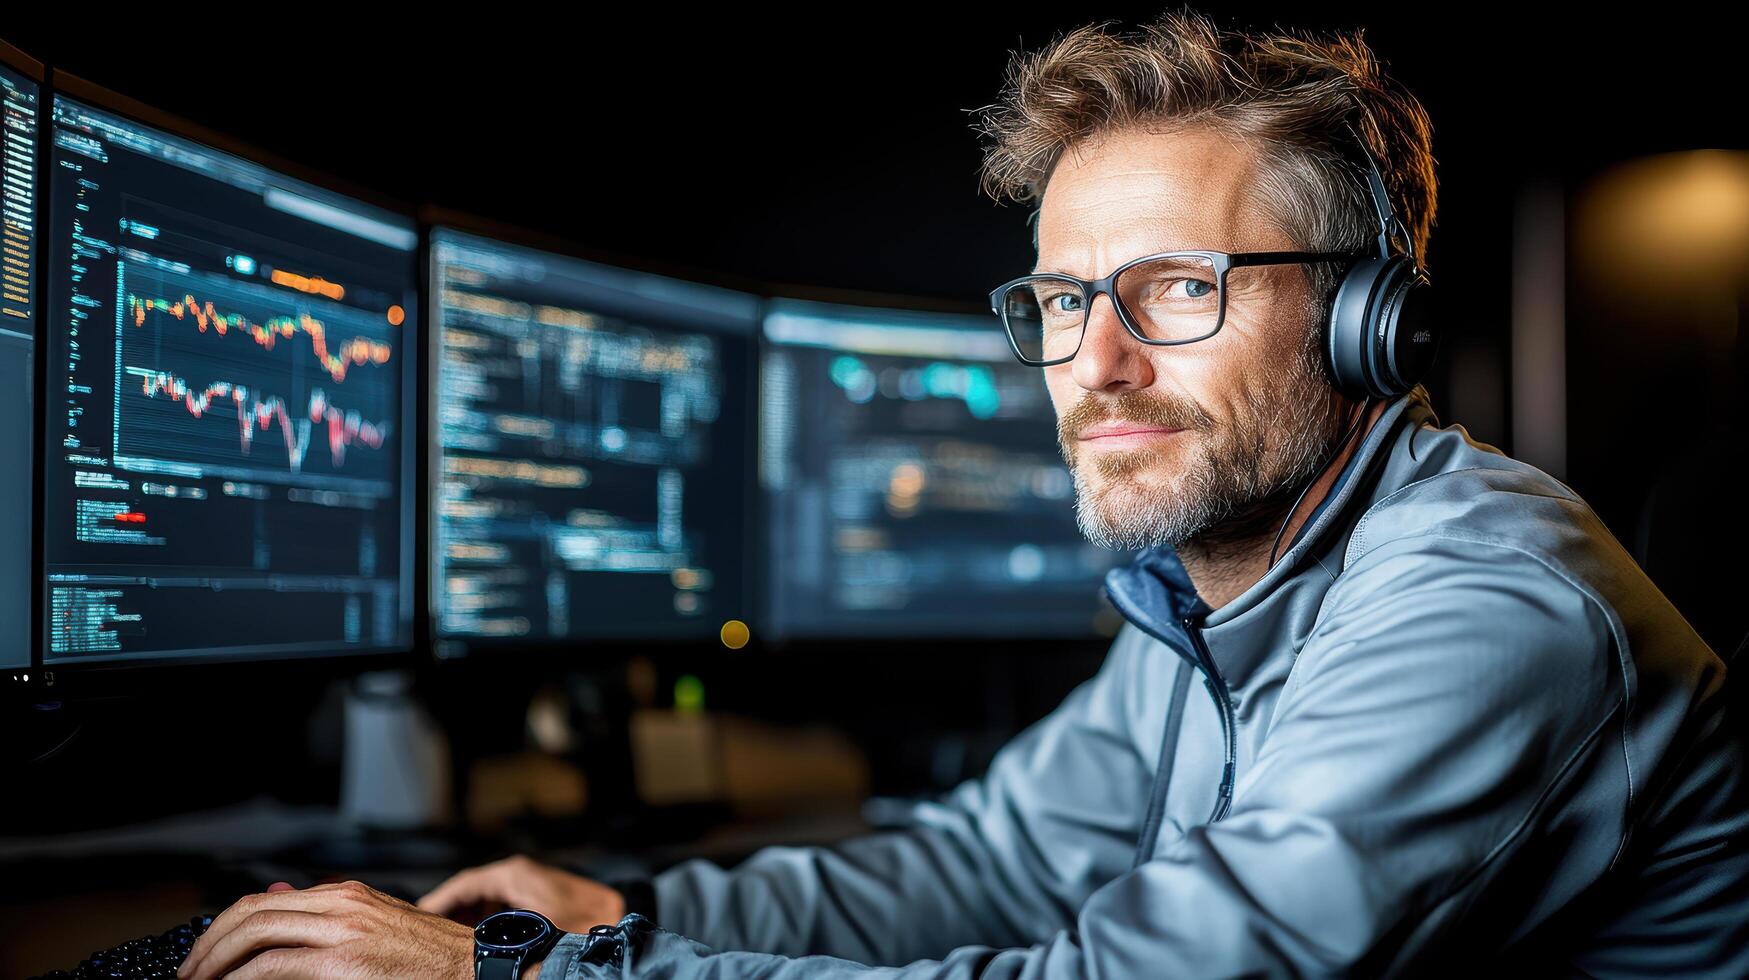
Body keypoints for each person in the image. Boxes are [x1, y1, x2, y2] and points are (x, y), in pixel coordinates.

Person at [176, 7, 1749, 978]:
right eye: (1062, 301)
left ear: (1365, 319)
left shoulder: (1477, 610)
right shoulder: (1218, 593)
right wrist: (616, 911)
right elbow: (989, 864)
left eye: (1175, 289)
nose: (1097, 363)